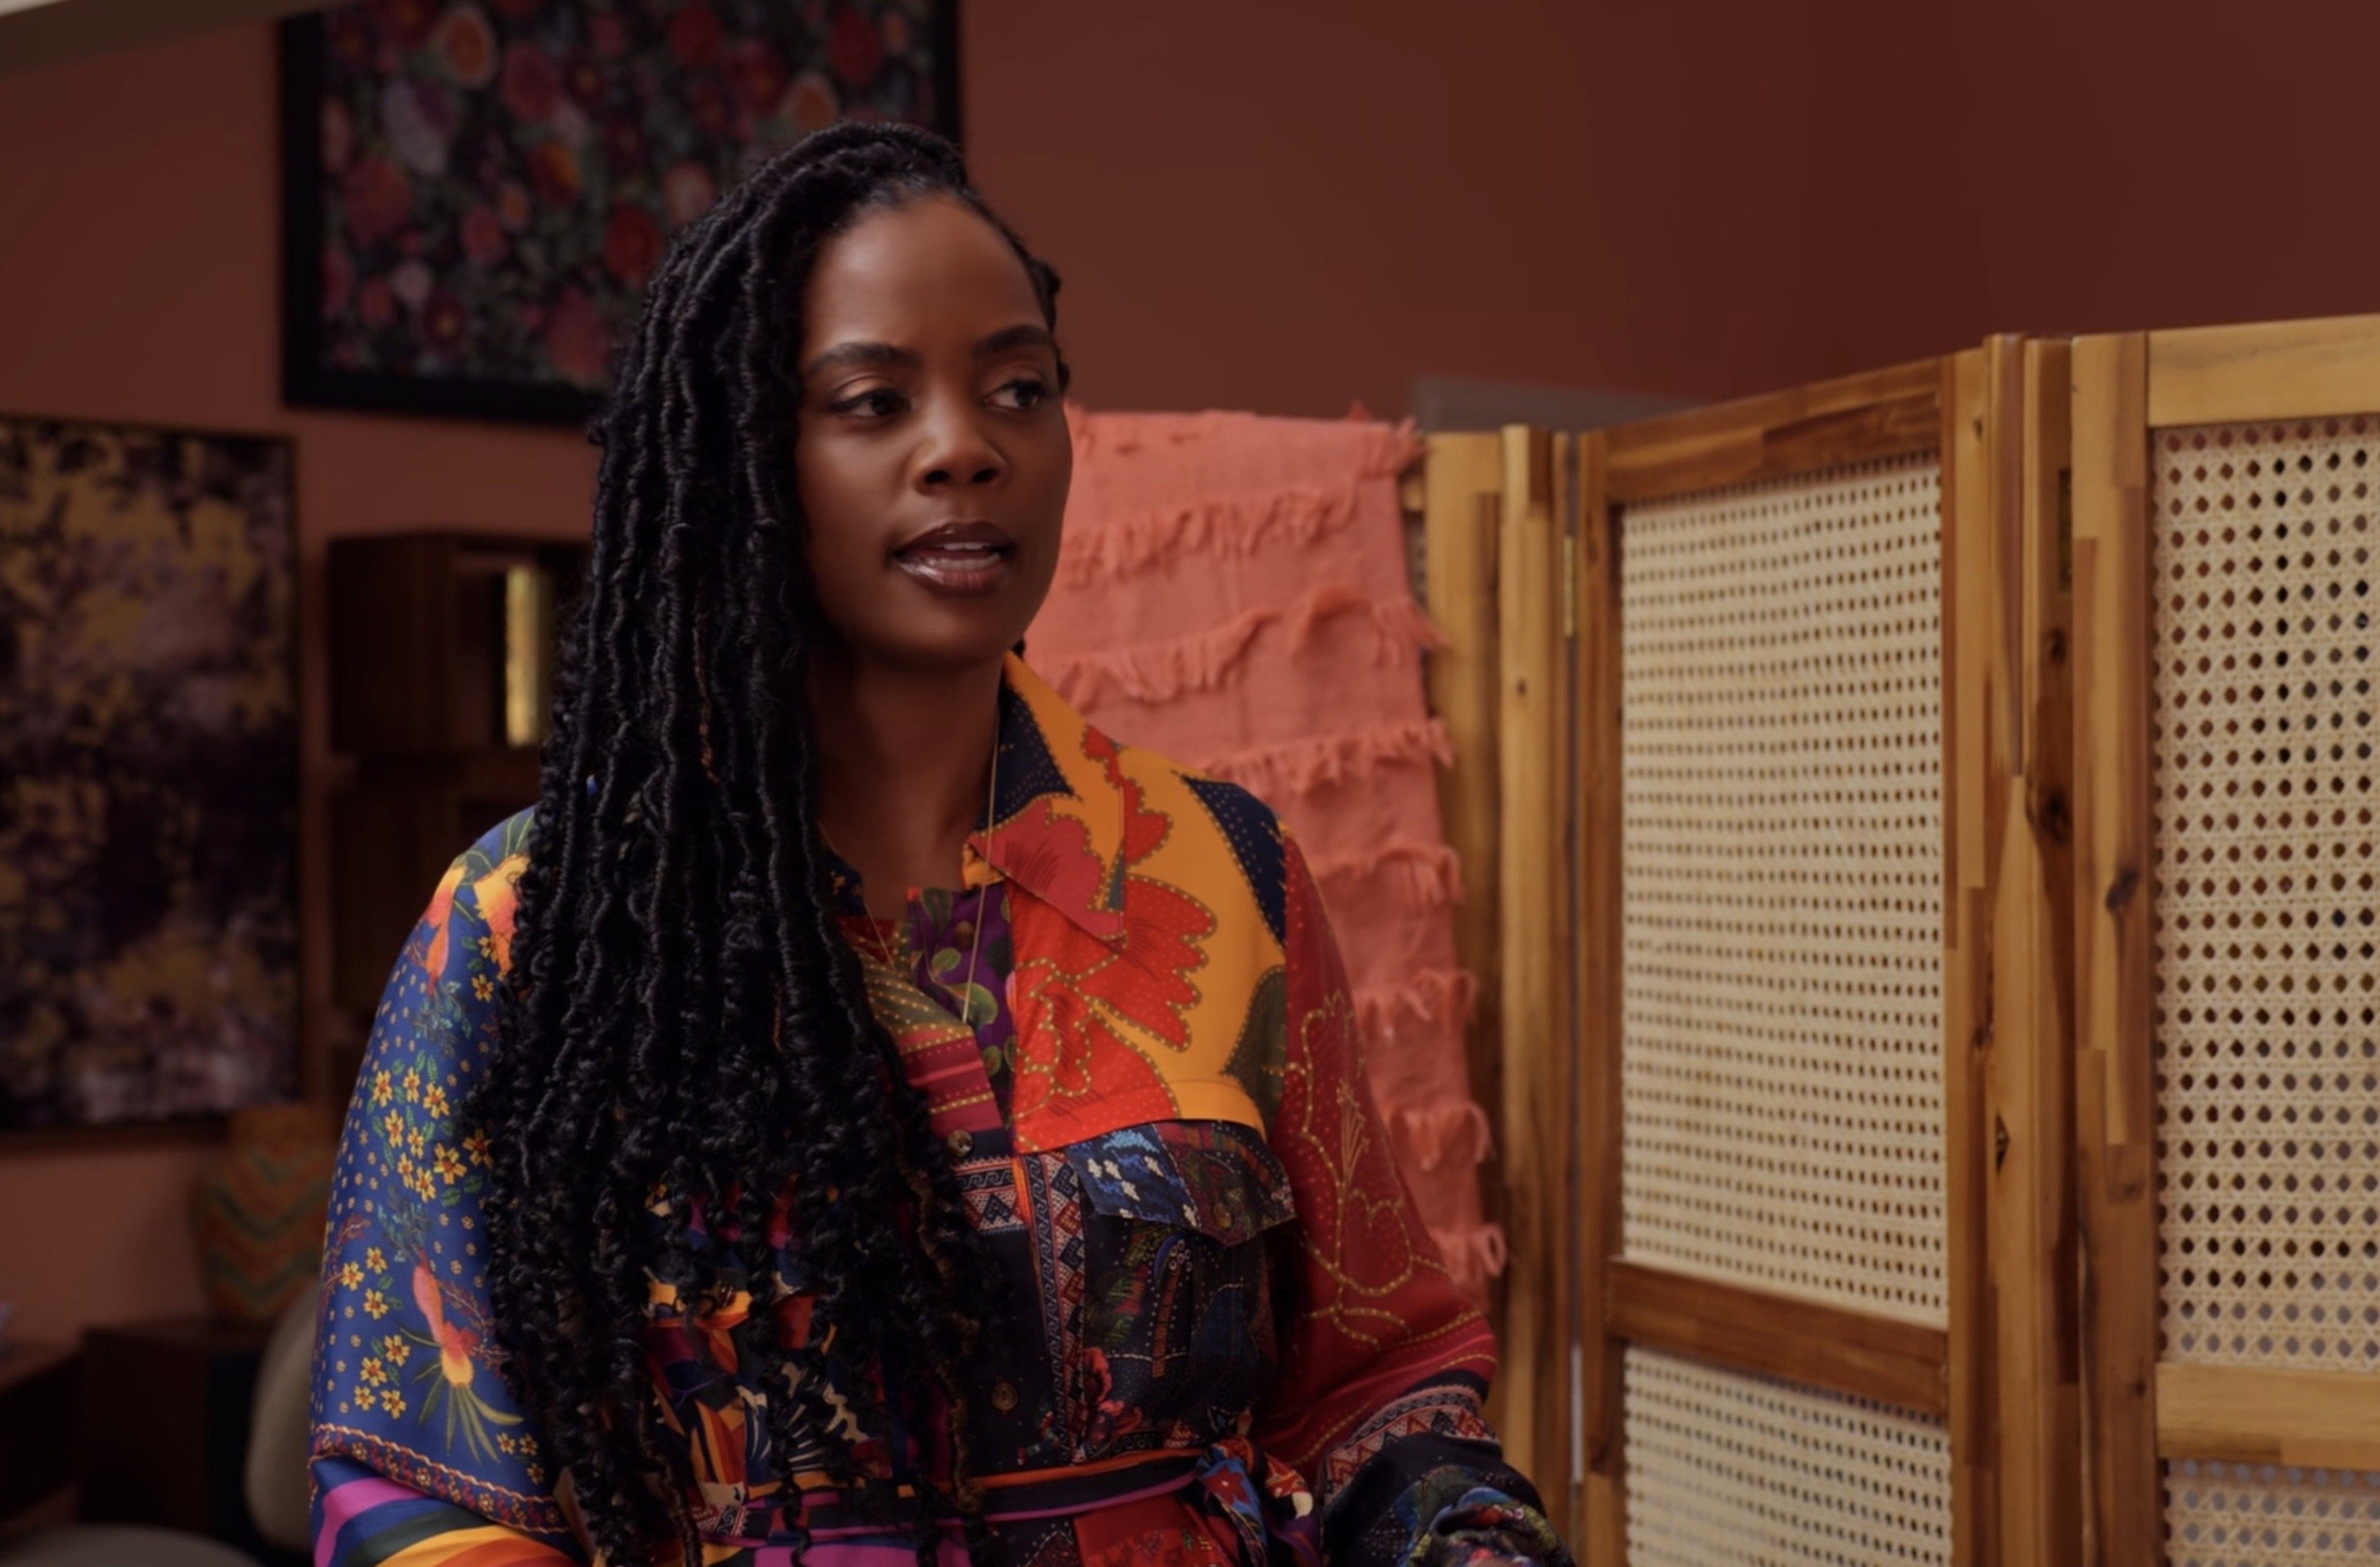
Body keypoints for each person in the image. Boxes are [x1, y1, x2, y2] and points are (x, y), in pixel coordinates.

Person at [305, 123, 1569, 1567]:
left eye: (1019, 388)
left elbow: (1377, 1381)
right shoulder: (533, 924)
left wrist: (1471, 1542)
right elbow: (411, 1489)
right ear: (742, 457)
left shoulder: (1226, 874)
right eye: (872, 401)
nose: (967, 446)